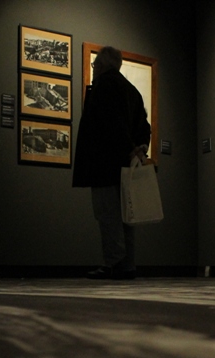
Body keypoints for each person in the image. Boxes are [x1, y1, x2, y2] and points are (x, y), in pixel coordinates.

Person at [73, 46, 151, 280]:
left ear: (102, 65)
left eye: (95, 65)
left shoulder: (103, 87)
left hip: (103, 164)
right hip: (126, 165)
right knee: (127, 217)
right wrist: (138, 149)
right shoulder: (132, 90)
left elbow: (110, 124)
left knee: (107, 215)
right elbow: (144, 126)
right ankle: (127, 265)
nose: (94, 69)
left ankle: (113, 263)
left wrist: (126, 147)